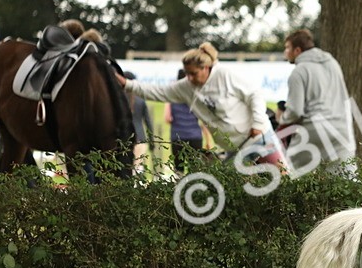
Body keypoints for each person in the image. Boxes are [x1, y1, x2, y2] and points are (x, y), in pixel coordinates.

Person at [118, 43, 277, 160]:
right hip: (234, 149)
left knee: (280, 182)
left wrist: (257, 122)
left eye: (194, 73)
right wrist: (127, 84)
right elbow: (158, 92)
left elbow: (254, 94)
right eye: (187, 73)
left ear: (206, 68)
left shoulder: (224, 75)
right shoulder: (186, 87)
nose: (190, 78)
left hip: (259, 139)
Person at [280, 29, 355, 169]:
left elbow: (295, 112)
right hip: (341, 128)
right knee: (345, 178)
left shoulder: (298, 71)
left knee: (291, 173)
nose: (285, 52)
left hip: (314, 129)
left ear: (297, 50)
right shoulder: (332, 63)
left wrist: (281, 122)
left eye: (287, 47)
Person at [163, 68, 210, 173]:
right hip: (195, 137)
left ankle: (179, 188)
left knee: (178, 170)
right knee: (194, 169)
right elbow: (204, 120)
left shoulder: (172, 96)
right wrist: (208, 140)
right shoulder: (196, 95)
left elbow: (167, 118)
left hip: (177, 137)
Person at [123, 71, 154, 173]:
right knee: (138, 167)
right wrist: (151, 140)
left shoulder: (120, 100)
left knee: (125, 168)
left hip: (124, 139)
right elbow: (148, 122)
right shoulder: (140, 100)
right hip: (140, 137)